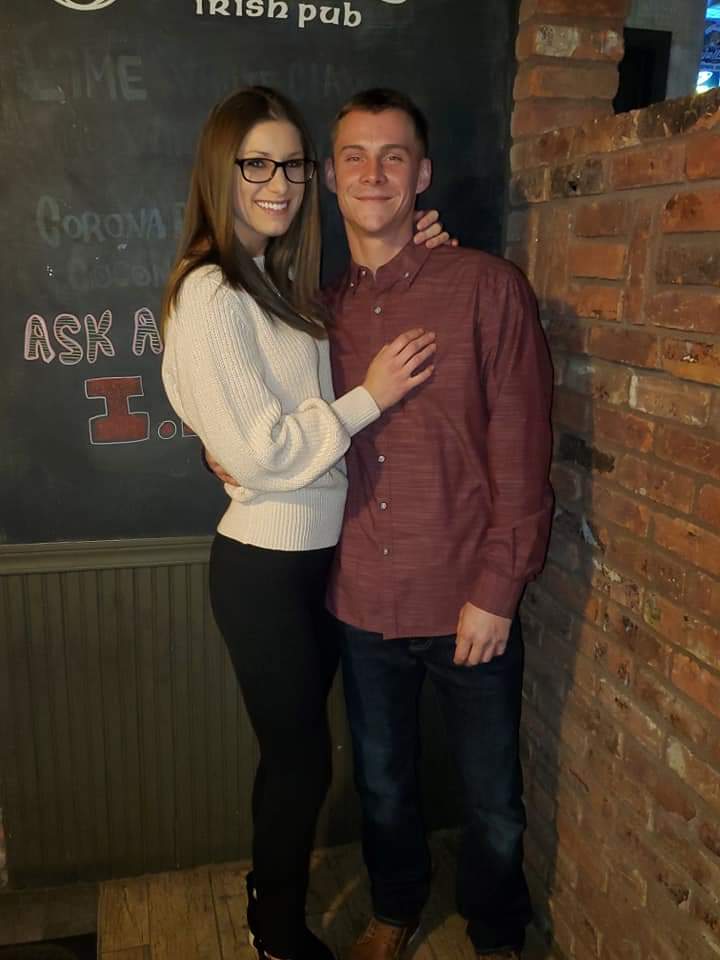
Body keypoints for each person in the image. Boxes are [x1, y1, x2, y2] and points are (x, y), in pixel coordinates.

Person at [160, 86, 447, 960]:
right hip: (267, 568)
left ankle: (269, 905)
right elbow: (262, 452)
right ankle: (276, 931)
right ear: (221, 170)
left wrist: (424, 247)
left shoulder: (273, 283)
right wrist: (370, 398)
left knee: (296, 759)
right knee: (301, 762)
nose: (278, 183)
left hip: (318, 557)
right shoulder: (213, 289)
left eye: (291, 164)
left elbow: (253, 434)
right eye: (256, 164)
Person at [322, 90, 554, 960]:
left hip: (467, 599)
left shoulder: (487, 288)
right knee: (382, 786)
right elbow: (270, 425)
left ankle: (495, 933)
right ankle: (395, 910)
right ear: (330, 176)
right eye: (354, 155)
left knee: (493, 799)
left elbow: (523, 451)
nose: (373, 173)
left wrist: (499, 589)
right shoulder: (315, 311)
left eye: (394, 156)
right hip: (360, 597)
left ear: (421, 175)